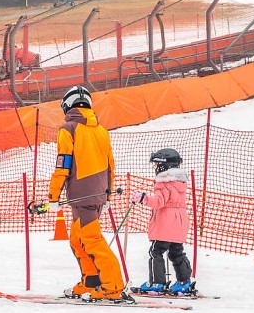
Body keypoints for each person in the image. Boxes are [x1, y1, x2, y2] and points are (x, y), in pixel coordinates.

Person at [47, 85, 125, 300]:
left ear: (67, 105)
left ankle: (113, 286)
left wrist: (54, 196)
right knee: (77, 239)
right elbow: (111, 165)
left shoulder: (68, 129)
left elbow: (63, 165)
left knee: (91, 240)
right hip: (97, 194)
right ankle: (91, 281)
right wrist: (107, 195)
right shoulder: (101, 130)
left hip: (82, 194)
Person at [130, 148, 195, 296]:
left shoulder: (163, 183)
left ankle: (157, 282)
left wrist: (143, 198)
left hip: (165, 224)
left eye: (156, 166)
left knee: (156, 252)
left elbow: (159, 201)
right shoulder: (180, 183)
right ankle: (184, 281)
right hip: (179, 223)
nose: (155, 169)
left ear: (163, 166)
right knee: (176, 252)